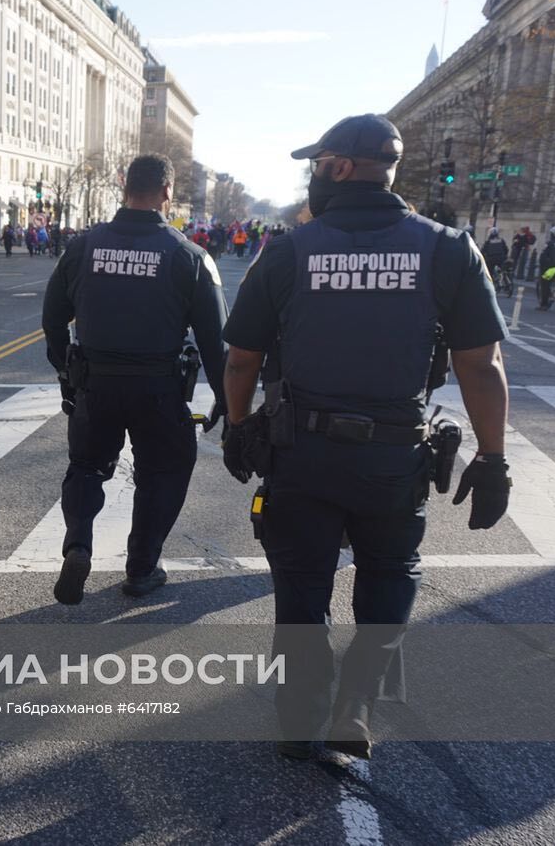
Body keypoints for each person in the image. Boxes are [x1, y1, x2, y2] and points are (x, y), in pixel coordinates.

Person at [221, 114, 511, 760]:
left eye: (317, 162)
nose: (312, 174)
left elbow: (241, 358)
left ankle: (300, 717)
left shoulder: (291, 250)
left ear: (341, 167)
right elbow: (481, 364)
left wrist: (238, 429)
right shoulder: (446, 249)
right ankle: (355, 705)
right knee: (389, 575)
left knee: (302, 588)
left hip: (303, 453)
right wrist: (493, 458)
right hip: (393, 455)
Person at [41, 154, 228, 605]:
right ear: (167, 191)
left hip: (96, 384)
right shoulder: (191, 256)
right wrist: (225, 398)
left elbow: (52, 318)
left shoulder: (83, 247)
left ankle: (79, 544)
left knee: (86, 468)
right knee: (163, 472)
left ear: (124, 186)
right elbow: (216, 339)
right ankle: (142, 568)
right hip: (158, 389)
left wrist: (67, 374)